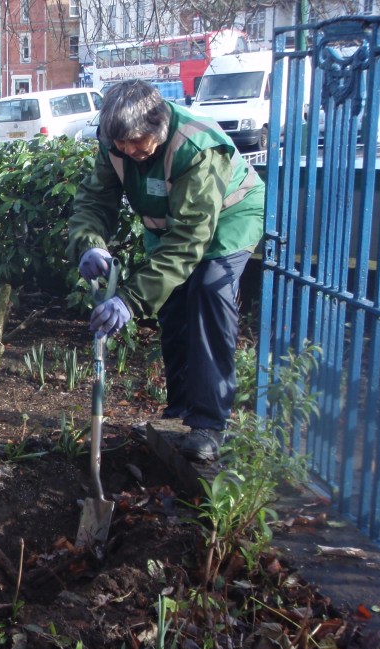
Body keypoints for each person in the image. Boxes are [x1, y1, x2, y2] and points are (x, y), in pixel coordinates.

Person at [68, 80, 264, 461]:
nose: (128, 150)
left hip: (231, 216)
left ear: (158, 124)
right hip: (171, 227)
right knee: (172, 304)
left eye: (136, 141)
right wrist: (89, 242)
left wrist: (130, 299)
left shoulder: (196, 147)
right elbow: (95, 199)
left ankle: (209, 424)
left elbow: (189, 241)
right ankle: (179, 412)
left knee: (208, 290)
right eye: (120, 143)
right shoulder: (116, 143)